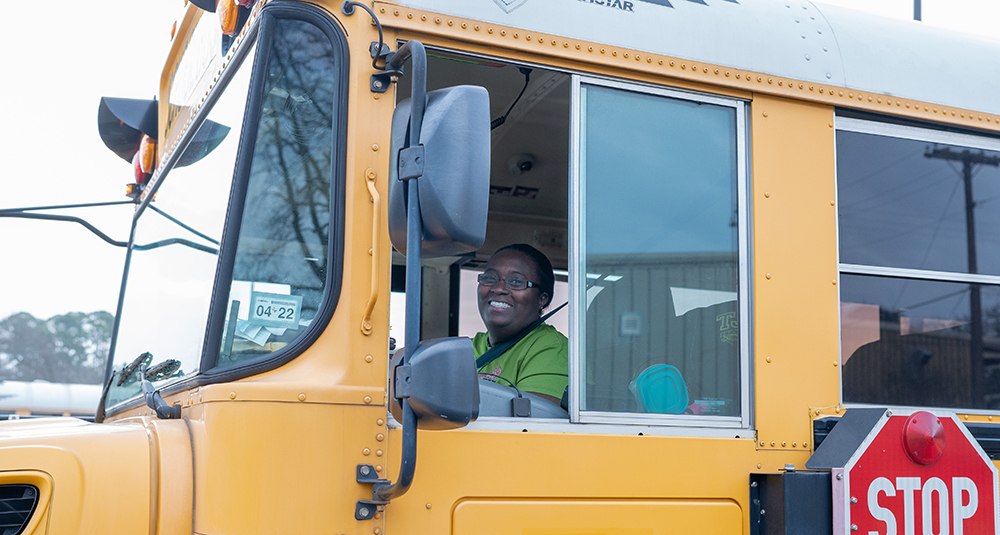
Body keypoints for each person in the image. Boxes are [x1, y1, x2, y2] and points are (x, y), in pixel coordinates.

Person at [473, 244, 568, 404]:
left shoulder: (553, 350)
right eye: (489, 278)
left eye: (516, 281)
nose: (498, 289)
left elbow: (532, 423)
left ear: (542, 299)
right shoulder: (466, 348)